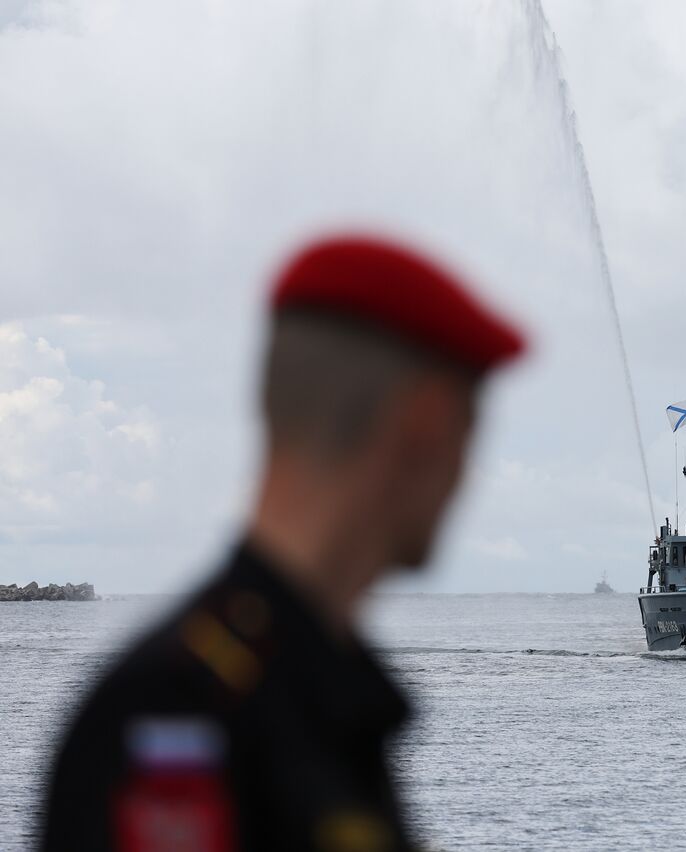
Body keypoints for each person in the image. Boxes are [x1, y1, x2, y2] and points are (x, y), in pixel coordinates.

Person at [42, 235, 525, 852]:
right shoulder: (176, 717)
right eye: (468, 435)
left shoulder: (312, 699)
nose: (465, 477)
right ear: (423, 425)